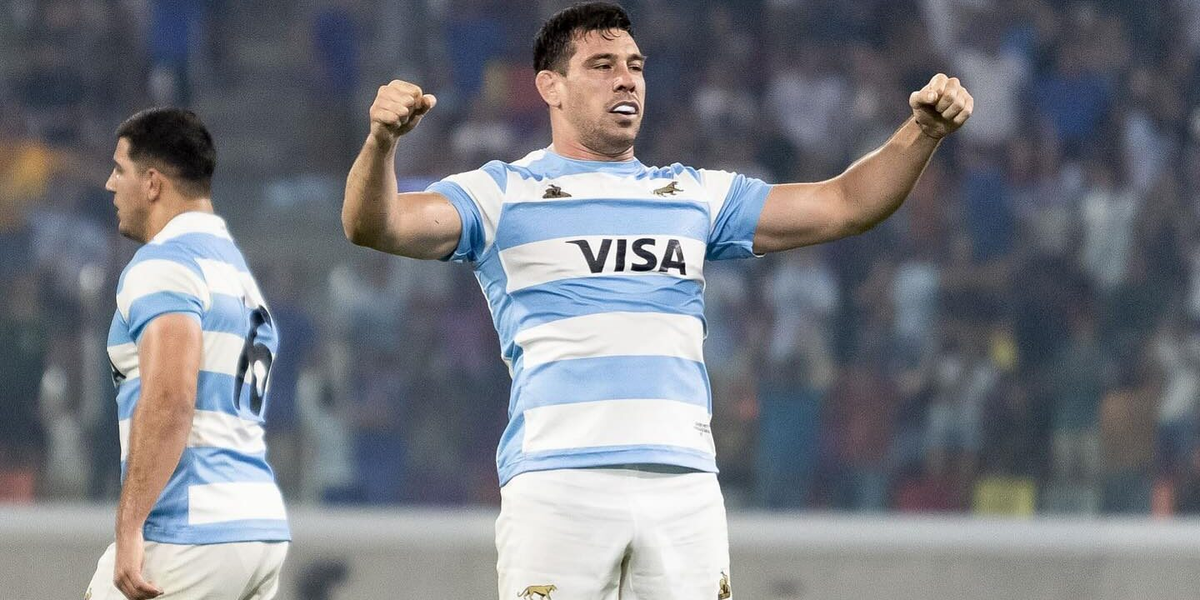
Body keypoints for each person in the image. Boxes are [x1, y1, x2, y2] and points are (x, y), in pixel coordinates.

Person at [341, 3, 972, 598]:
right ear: (550, 87)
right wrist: (381, 144)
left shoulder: (693, 195)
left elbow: (845, 204)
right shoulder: (500, 195)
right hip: (559, 482)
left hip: (684, 484)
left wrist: (922, 131)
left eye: (635, 67)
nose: (626, 80)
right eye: (602, 65)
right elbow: (375, 225)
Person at [86, 108, 289, 600]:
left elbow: (171, 397)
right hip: (256, 524)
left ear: (152, 183)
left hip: (189, 529)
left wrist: (130, 528)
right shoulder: (235, 272)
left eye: (119, 169)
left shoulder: (163, 265)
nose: (110, 184)